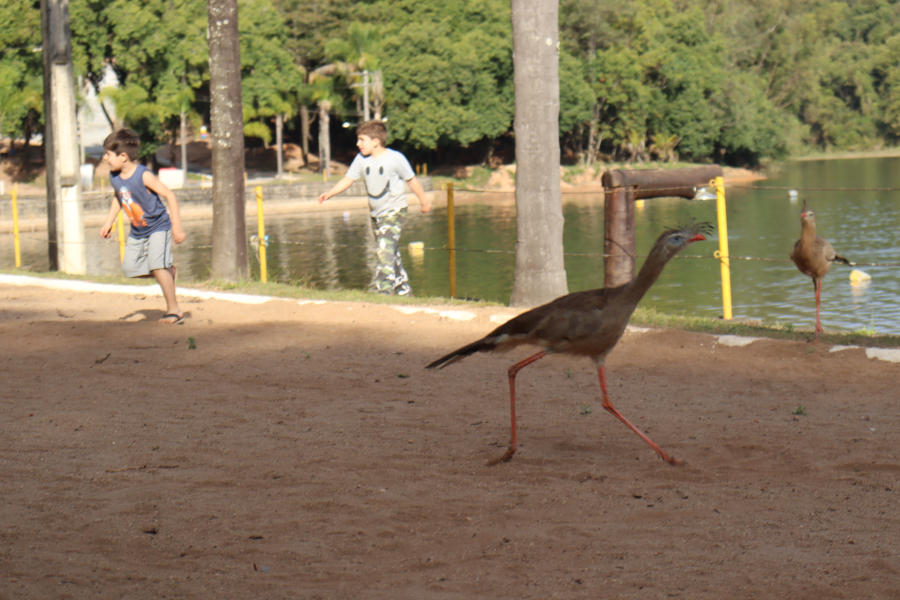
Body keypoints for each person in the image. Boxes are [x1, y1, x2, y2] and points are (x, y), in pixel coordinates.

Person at [318, 120, 432, 296]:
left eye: (361, 139)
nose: (358, 144)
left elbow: (412, 181)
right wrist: (330, 193)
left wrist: (424, 202)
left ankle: (384, 292)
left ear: (375, 141)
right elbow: (348, 179)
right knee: (389, 251)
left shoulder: (396, 158)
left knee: (384, 249)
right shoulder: (360, 160)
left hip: (395, 210)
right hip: (376, 214)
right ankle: (403, 291)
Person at [99, 129, 187, 324]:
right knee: (130, 269)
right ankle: (167, 271)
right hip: (138, 231)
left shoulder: (143, 175)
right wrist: (109, 222)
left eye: (108, 154)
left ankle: (174, 310)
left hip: (158, 227)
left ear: (123, 156)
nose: (105, 158)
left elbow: (170, 196)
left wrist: (177, 227)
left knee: (156, 265)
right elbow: (119, 197)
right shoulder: (114, 176)